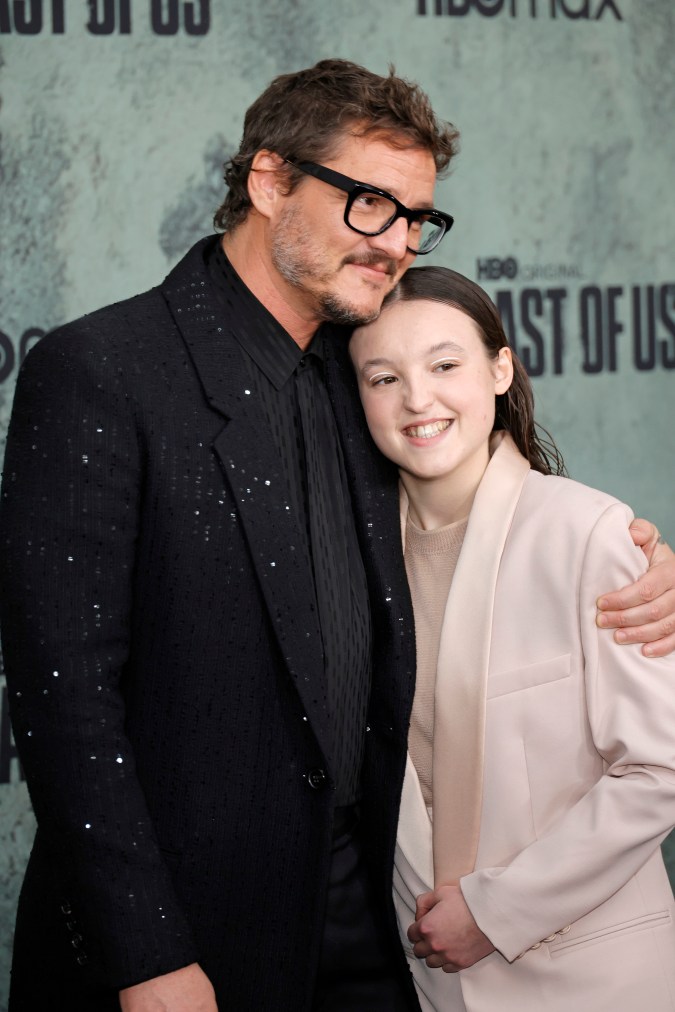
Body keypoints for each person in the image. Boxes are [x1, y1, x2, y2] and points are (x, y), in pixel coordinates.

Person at [0, 59, 674, 1012]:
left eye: (416, 217)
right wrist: (144, 956)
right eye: (368, 204)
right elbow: (64, 701)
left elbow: (481, 519)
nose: (396, 242)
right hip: (187, 939)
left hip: (378, 933)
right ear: (270, 183)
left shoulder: (358, 378)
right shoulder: (102, 372)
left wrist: (639, 558)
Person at [349, 265, 675, 1012]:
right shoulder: (347, 561)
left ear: (500, 369)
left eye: (443, 365)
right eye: (382, 378)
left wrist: (495, 912)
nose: (416, 399)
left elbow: (655, 768)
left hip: (592, 980)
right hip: (426, 982)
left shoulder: (585, 532)